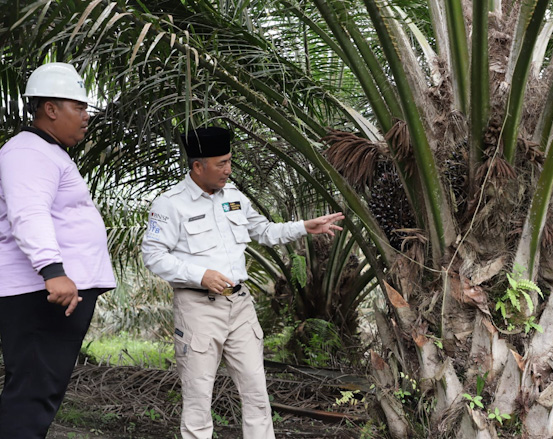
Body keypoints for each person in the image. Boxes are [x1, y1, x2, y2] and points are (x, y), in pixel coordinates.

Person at [141, 126, 344, 439]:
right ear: (197, 166)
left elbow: (263, 231)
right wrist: (200, 275)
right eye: (220, 163)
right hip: (197, 309)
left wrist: (305, 226)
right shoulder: (170, 204)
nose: (228, 169)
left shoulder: (233, 197)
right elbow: (153, 255)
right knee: (197, 399)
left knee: (256, 394)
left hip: (240, 307)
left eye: (229, 161)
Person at [0, 62, 116, 438]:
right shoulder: (29, 151)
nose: (86, 117)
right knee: (33, 393)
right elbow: (28, 213)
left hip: (47, 291)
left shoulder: (49, 152)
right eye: (79, 107)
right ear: (50, 109)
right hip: (40, 293)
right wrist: (52, 270)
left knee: (36, 391)